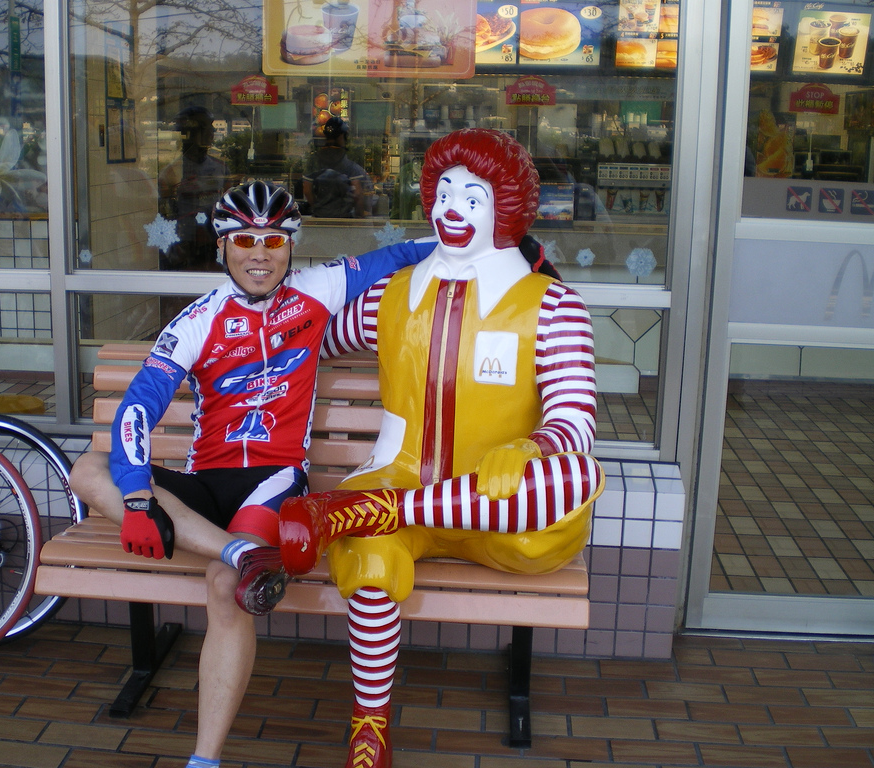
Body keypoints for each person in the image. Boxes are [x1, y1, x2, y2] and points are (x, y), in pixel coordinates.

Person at [249, 129, 605, 768]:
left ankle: (359, 513)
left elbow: (575, 423)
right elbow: (306, 340)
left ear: (507, 209)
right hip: (398, 475)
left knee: (573, 479)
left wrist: (533, 448)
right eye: (444, 193)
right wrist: (233, 326)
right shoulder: (392, 296)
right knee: (374, 563)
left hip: (498, 510)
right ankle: (370, 734)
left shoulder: (553, 308)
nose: (451, 209)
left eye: (472, 196)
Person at [69, 180, 435, 768]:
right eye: (244, 239)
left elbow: (398, 256)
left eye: (273, 240)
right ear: (222, 246)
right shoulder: (198, 318)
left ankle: (203, 761)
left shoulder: (317, 291)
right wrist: (138, 496)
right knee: (88, 470)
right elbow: (139, 404)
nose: (259, 253)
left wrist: (506, 244)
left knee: (222, 590)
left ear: (291, 247)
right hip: (205, 484)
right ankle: (243, 553)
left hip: (273, 482)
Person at [157, 105, 234, 271]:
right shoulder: (172, 172)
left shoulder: (220, 168)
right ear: (189, 133)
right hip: (184, 242)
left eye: (211, 128)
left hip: (215, 239)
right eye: (204, 128)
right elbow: (165, 213)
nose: (211, 133)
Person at [303, 116, 369, 218]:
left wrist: (318, 208)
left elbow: (307, 190)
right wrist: (360, 217)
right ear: (342, 136)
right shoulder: (348, 158)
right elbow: (357, 193)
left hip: (319, 218)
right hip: (344, 218)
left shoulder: (314, 159)